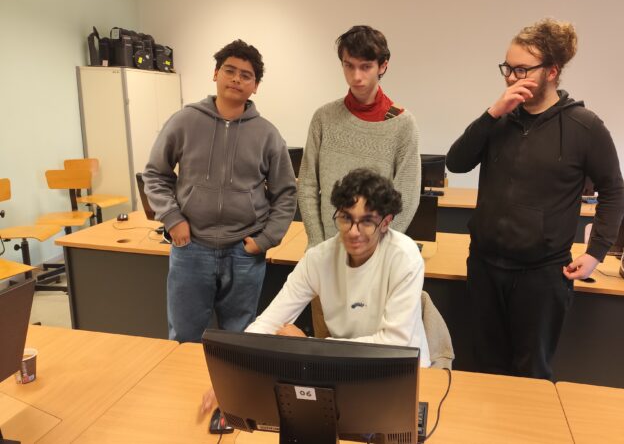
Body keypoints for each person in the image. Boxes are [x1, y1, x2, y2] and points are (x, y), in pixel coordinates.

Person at [446, 18, 624, 379]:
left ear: (552, 72)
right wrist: (492, 113)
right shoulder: (498, 120)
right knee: (483, 368)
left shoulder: (585, 126)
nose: (512, 78)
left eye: (522, 70)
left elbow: (613, 192)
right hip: (484, 267)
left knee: (530, 373)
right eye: (508, 68)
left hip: (542, 276)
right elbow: (456, 162)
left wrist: (595, 253)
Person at [201, 168, 429, 413]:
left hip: (399, 374)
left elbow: (394, 345)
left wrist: (309, 346)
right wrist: (232, 370)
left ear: (386, 222)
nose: (353, 232)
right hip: (342, 371)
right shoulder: (319, 258)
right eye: (346, 218)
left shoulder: (404, 258)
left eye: (366, 222)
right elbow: (270, 321)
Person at [143, 40, 297, 343]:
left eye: (246, 75)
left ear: (255, 86)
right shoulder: (184, 121)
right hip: (191, 248)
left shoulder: (267, 134)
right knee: (184, 337)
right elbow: (155, 174)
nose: (236, 79)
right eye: (230, 70)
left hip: (244, 253)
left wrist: (265, 240)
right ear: (216, 74)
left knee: (239, 340)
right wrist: (172, 218)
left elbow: (286, 193)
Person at [297, 25, 421, 249]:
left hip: (376, 250)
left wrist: (378, 247)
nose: (356, 76)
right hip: (326, 248)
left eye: (365, 67)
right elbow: (307, 185)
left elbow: (407, 197)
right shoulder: (323, 117)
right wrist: (316, 243)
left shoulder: (403, 124)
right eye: (349, 66)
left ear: (383, 66)